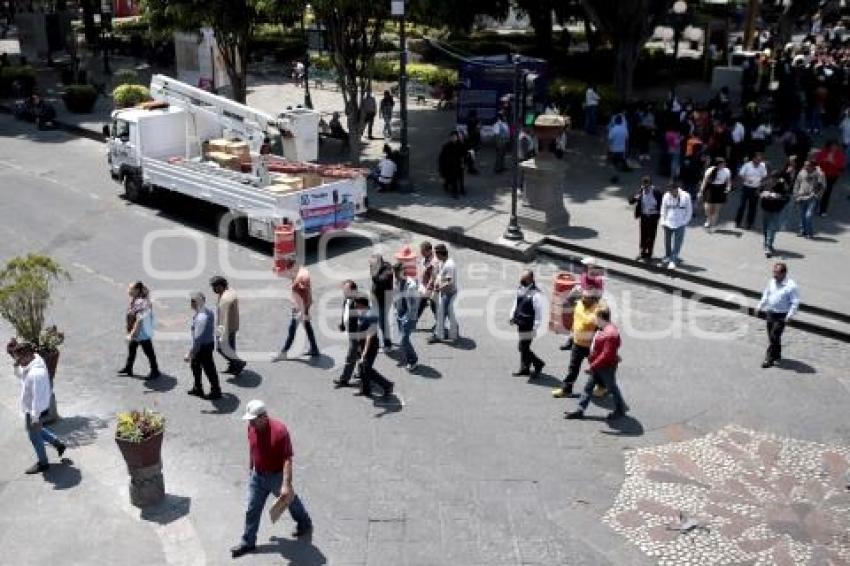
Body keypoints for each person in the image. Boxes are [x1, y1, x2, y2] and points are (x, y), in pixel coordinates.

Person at [230, 400, 313, 558]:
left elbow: (287, 459)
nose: (250, 423)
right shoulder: (251, 427)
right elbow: (253, 447)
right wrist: (251, 466)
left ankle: (304, 522)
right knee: (252, 509)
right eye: (249, 420)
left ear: (263, 417)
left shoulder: (280, 431)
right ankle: (248, 542)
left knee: (290, 500)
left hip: (276, 476)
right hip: (258, 476)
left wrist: (286, 484)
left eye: (253, 420)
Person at [8, 341, 66, 474]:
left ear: (28, 355)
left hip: (35, 409)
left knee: (34, 436)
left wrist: (35, 417)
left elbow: (37, 398)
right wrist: (17, 364)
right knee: (34, 430)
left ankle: (43, 463)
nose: (19, 362)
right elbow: (20, 374)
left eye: (20, 359)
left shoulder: (36, 374)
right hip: (32, 408)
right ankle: (57, 443)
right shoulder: (34, 360)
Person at [565, 307, 628, 421]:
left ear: (600, 317)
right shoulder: (606, 328)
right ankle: (580, 410)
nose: (594, 320)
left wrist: (592, 366)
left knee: (612, 388)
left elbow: (606, 355)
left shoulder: (610, 333)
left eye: (595, 317)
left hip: (605, 367)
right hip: (599, 365)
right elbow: (612, 347)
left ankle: (620, 410)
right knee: (588, 387)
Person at [552, 290, 604, 398]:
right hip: (577, 343)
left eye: (586, 297)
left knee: (596, 368)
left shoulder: (599, 311)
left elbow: (602, 330)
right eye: (583, 296)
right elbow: (574, 316)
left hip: (592, 347)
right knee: (573, 368)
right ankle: (566, 390)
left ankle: (602, 386)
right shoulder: (579, 303)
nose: (583, 299)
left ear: (593, 299)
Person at [756, 263, 800, 368]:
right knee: (772, 336)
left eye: (777, 273)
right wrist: (759, 306)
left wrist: (789, 316)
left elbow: (795, 302)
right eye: (774, 272)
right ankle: (777, 353)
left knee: (774, 335)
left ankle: (769, 359)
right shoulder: (771, 282)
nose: (774, 275)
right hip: (770, 312)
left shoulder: (791, 286)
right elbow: (766, 294)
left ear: (784, 273)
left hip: (782, 315)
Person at [272, 268, 320, 361]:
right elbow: (308, 296)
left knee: (292, 330)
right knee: (307, 327)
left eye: (287, 273)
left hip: (299, 310)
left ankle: (283, 353)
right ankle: (314, 348)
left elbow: (304, 298)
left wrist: (303, 312)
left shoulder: (297, 284)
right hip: (303, 308)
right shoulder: (303, 272)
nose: (287, 276)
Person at [352, 296, 395, 399]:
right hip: (361, 346)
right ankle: (365, 390)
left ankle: (387, 385)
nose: (354, 306)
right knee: (362, 369)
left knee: (366, 369)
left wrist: (364, 353)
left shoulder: (371, 315)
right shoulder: (362, 313)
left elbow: (369, 337)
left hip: (370, 348)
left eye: (356, 304)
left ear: (361, 304)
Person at [119, 281, 160, 379]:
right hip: (137, 331)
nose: (128, 290)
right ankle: (128, 368)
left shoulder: (140, 302)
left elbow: (140, 320)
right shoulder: (137, 298)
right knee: (132, 350)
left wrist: (132, 334)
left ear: (137, 290)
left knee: (149, 352)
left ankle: (155, 371)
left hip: (141, 333)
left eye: (130, 289)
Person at [185, 292, 222, 400]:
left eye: (192, 302)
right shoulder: (208, 311)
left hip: (202, 347)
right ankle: (198, 388)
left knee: (209, 369)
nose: (191, 304)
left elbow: (198, 340)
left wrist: (190, 353)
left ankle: (216, 391)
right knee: (195, 366)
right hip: (207, 344)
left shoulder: (201, 317)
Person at [509, 269, 545, 378]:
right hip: (520, 322)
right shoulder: (521, 288)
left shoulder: (536, 294)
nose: (521, 280)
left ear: (530, 279)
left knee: (522, 347)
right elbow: (516, 302)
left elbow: (539, 312)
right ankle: (525, 369)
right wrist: (512, 315)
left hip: (529, 325)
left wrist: (536, 327)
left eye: (524, 279)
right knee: (523, 347)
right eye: (521, 278)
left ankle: (538, 363)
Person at [210, 276, 246, 375]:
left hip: (227, 328)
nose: (213, 290)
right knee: (230, 348)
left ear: (221, 286)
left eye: (215, 287)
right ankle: (234, 366)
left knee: (220, 348)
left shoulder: (226, 298)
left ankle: (239, 363)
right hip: (230, 326)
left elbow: (225, 316)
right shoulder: (226, 292)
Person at [760, 159, 794, 257]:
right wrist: (763, 194)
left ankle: (768, 246)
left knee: (772, 228)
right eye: (772, 178)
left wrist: (778, 196)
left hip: (776, 209)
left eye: (775, 179)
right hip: (765, 207)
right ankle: (767, 244)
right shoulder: (766, 183)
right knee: (766, 228)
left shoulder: (782, 185)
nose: (773, 180)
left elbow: (787, 197)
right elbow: (758, 191)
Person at [333, 280, 362, 388]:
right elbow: (345, 312)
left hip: (357, 334)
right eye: (344, 290)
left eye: (346, 290)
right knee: (359, 355)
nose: (343, 292)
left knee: (350, 356)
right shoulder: (347, 300)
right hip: (350, 332)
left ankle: (344, 379)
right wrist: (343, 324)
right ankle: (361, 372)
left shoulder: (359, 302)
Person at [428, 243, 459, 344]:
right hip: (445, 293)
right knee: (448, 313)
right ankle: (454, 329)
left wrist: (438, 289)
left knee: (441, 314)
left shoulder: (449, 265)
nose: (435, 256)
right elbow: (439, 275)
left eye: (435, 254)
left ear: (440, 254)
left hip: (448, 294)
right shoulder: (443, 262)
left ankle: (438, 335)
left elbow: (449, 282)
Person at [393, 261, 419, 371]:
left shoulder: (411, 285)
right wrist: (396, 311)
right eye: (395, 273)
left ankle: (413, 360)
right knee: (404, 339)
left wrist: (408, 317)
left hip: (409, 316)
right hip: (400, 314)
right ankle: (409, 358)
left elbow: (414, 304)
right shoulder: (396, 282)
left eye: (397, 273)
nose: (395, 276)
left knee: (404, 340)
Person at [629, 176, 663, 260]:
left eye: (647, 187)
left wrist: (657, 211)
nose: (645, 189)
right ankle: (642, 252)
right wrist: (635, 197)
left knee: (651, 235)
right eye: (644, 186)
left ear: (651, 186)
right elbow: (630, 201)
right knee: (643, 235)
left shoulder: (656, 192)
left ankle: (650, 252)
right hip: (644, 216)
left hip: (653, 217)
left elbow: (662, 204)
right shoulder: (641, 191)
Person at [660, 183, 693, 269]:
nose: (671, 193)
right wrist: (663, 221)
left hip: (680, 223)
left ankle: (673, 260)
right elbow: (663, 209)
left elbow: (689, 211)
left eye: (672, 191)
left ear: (676, 189)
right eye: (669, 191)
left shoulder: (686, 196)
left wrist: (685, 222)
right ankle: (668, 256)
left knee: (677, 243)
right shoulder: (666, 195)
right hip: (668, 222)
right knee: (667, 241)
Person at [793, 159, 825, 238]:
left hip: (812, 198)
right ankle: (803, 231)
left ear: (813, 167)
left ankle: (809, 232)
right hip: (801, 196)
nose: (805, 167)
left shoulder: (819, 174)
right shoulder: (802, 172)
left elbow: (822, 186)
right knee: (801, 215)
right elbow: (797, 183)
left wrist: (817, 196)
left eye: (807, 165)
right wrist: (796, 195)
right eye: (805, 165)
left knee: (808, 215)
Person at [736, 153, 769, 229]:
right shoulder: (747, 165)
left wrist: (761, 185)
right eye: (757, 159)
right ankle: (738, 222)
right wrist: (747, 179)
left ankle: (749, 223)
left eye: (760, 159)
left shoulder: (762, 166)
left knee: (753, 207)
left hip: (756, 189)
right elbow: (741, 174)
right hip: (746, 187)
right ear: (753, 159)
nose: (759, 161)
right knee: (742, 206)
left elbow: (764, 176)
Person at [698, 157, 732, 231]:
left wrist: (728, 187)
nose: (723, 165)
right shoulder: (710, 170)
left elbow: (728, 181)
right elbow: (704, 181)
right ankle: (708, 219)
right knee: (707, 207)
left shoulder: (727, 171)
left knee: (716, 209)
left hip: (720, 189)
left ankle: (713, 224)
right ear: (717, 164)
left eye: (724, 164)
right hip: (710, 188)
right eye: (722, 164)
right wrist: (701, 191)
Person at [813, 140, 846, 216]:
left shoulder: (839, 155)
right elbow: (816, 162)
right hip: (821, 174)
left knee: (827, 192)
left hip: (832, 176)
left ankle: (823, 210)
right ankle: (814, 207)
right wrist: (824, 161)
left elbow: (841, 167)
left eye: (835, 146)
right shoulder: (823, 152)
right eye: (832, 146)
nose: (834, 148)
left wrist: (832, 162)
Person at [438, 131, 466, 198]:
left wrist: (463, 162)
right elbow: (442, 157)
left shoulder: (460, 145)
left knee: (461, 176)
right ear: (450, 138)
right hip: (449, 165)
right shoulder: (446, 146)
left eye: (455, 137)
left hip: (458, 164)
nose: (453, 138)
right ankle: (454, 191)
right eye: (452, 137)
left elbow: (463, 154)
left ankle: (461, 189)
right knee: (453, 177)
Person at [416, 241, 437, 327]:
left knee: (432, 305)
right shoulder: (426, 258)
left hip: (431, 288)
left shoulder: (434, 261)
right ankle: (412, 322)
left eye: (423, 251)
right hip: (425, 287)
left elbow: (433, 277)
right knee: (422, 304)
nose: (421, 253)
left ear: (429, 250)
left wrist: (428, 288)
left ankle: (440, 324)